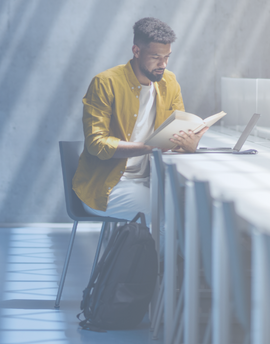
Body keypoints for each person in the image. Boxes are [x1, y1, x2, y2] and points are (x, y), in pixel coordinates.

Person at [72, 17, 207, 222]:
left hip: (152, 180)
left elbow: (178, 132)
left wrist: (189, 142)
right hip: (109, 186)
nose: (163, 64)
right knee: (168, 217)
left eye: (167, 57)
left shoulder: (169, 82)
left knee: (198, 209)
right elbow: (96, 144)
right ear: (136, 51)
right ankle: (161, 255)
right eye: (155, 57)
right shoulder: (105, 83)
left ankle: (168, 254)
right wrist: (148, 147)